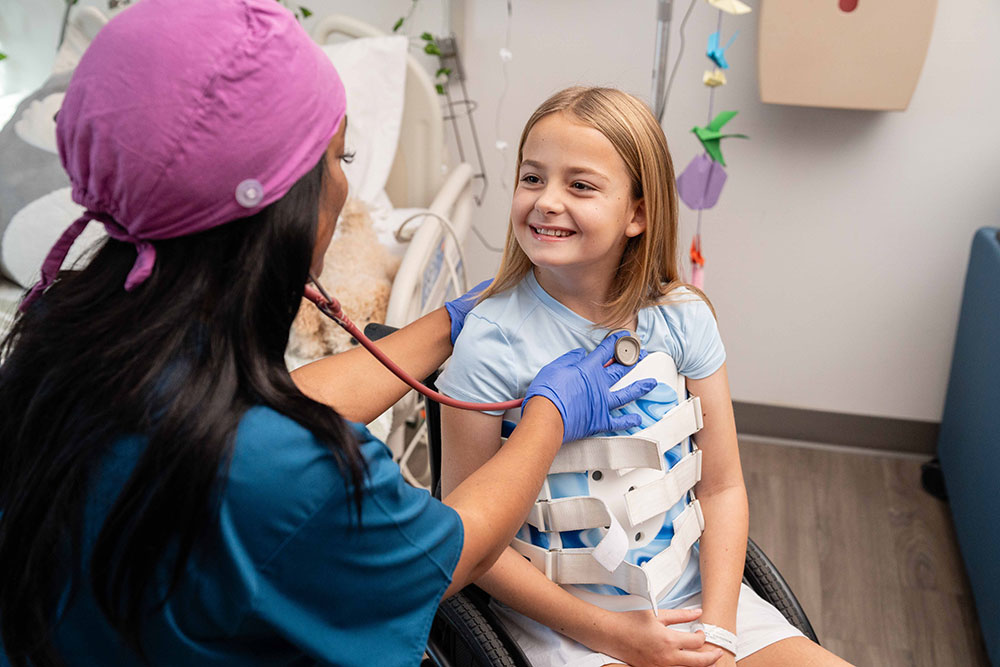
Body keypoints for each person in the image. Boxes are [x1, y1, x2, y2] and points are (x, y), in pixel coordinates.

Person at [0, 5, 657, 666]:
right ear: (278, 206)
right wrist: (551, 413)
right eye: (338, 158)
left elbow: (254, 410)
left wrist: (450, 322)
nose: (346, 188)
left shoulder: (65, 323)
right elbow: (455, 550)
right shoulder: (294, 472)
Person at [438, 87, 853, 667]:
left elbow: (723, 487)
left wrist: (721, 634)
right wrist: (615, 636)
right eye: (532, 178)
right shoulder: (489, 344)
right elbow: (468, 544)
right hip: (564, 624)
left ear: (638, 213)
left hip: (697, 602)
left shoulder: (683, 318)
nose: (546, 201)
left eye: (579, 185)